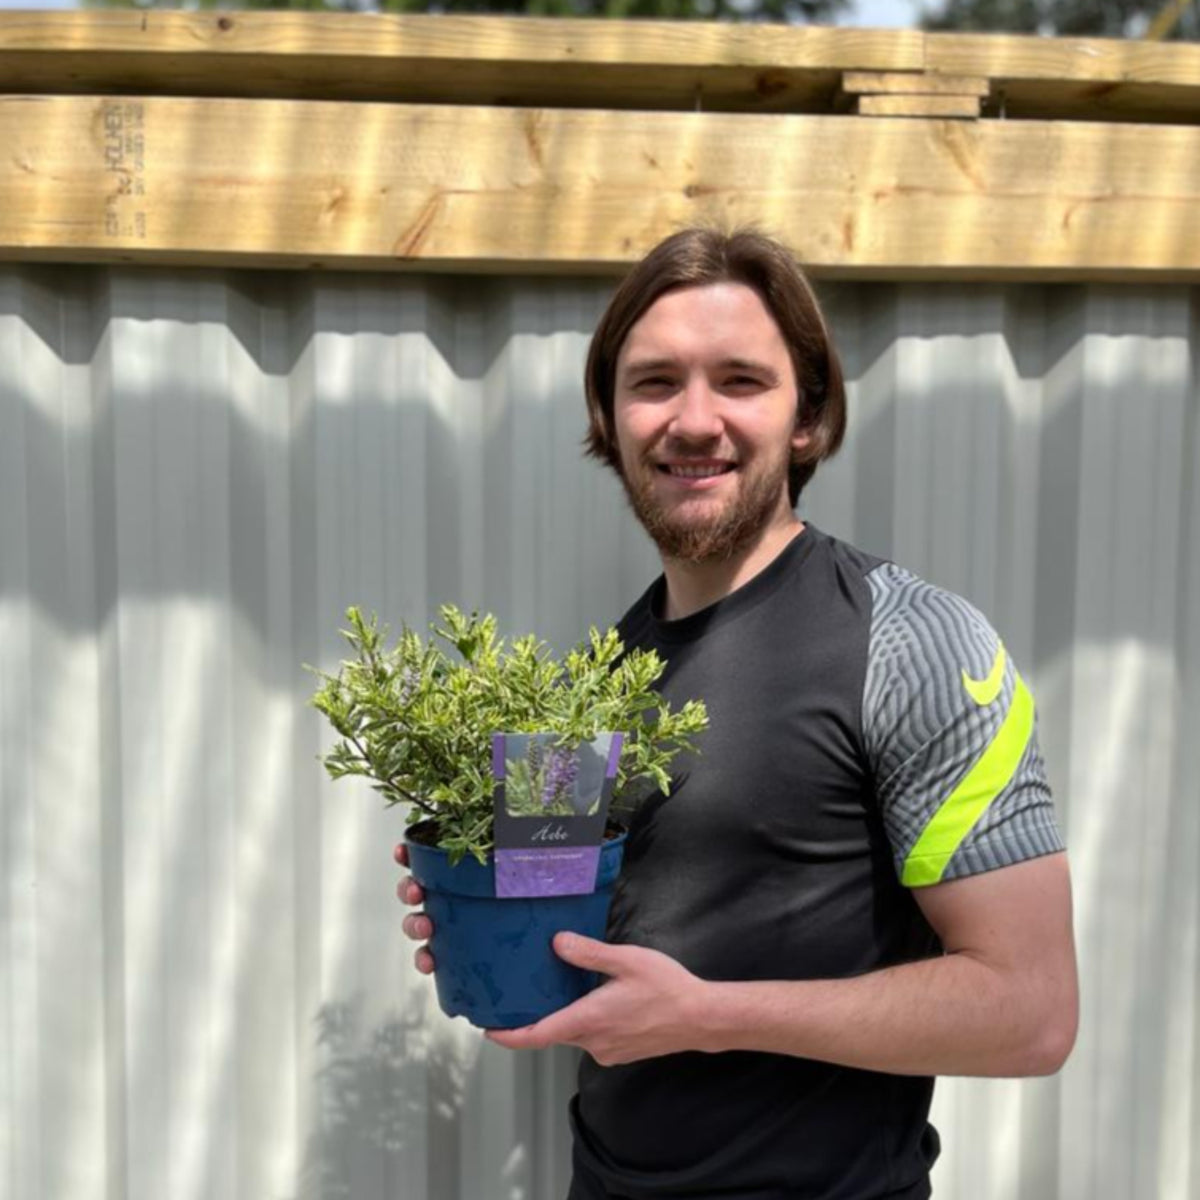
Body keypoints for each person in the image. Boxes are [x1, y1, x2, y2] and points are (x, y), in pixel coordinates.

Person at [395, 227, 1078, 1200]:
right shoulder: (596, 675)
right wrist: (476, 904)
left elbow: (1033, 1013)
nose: (693, 420)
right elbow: (564, 940)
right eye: (655, 382)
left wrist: (708, 1015)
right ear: (609, 417)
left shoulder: (913, 643)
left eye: (740, 381)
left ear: (808, 416)